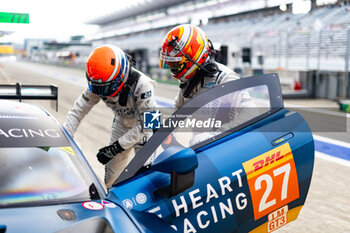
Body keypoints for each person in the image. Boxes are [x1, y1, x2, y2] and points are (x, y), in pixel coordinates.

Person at [64, 45, 156, 188]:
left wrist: (116, 147)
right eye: (98, 88)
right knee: (111, 180)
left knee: (146, 176)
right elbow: (77, 111)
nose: (103, 92)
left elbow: (148, 124)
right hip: (122, 122)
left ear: (121, 75)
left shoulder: (144, 85)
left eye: (107, 87)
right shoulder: (99, 82)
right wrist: (65, 138)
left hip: (146, 128)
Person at [159, 24, 256, 145]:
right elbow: (178, 111)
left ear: (192, 57)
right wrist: (163, 130)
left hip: (231, 145)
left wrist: (217, 135)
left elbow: (252, 113)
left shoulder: (225, 78)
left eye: (176, 65)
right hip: (202, 147)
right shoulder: (189, 82)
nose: (172, 68)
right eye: (170, 64)